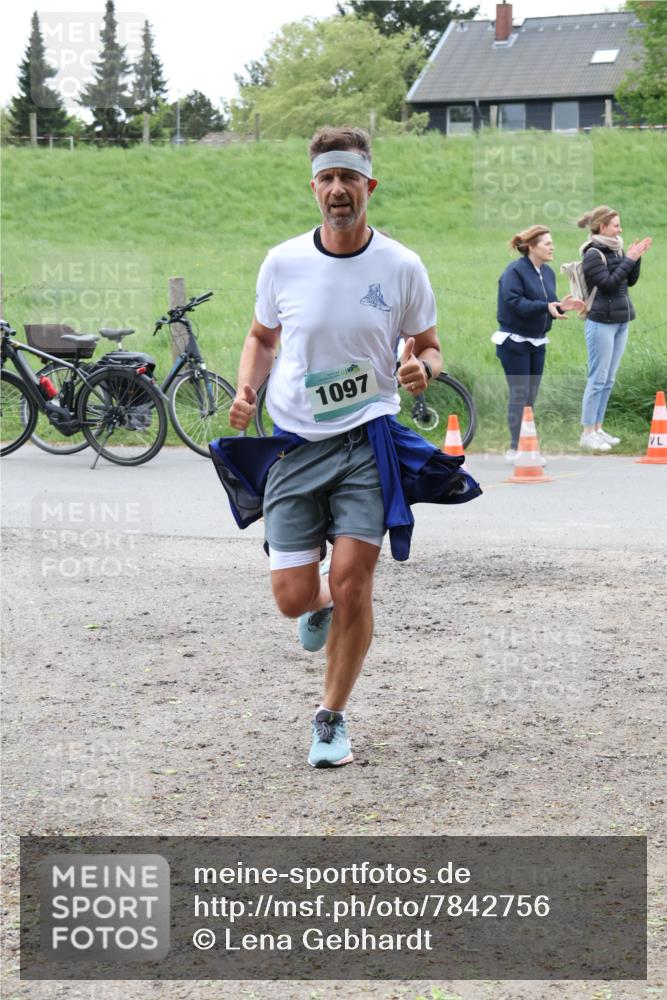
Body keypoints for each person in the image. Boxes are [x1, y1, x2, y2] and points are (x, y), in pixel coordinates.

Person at [211, 125, 480, 769]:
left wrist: (426, 369)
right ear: (313, 188)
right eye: (327, 179)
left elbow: (430, 343)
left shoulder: (401, 265)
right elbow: (261, 336)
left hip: (367, 442)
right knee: (294, 598)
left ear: (369, 186)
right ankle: (319, 603)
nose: (338, 190)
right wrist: (247, 387)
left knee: (357, 583)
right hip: (296, 446)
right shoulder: (283, 262)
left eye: (349, 179)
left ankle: (330, 718)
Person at [493, 225, 583, 462]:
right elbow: (515, 303)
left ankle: (526, 445)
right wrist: (547, 307)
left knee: (530, 396)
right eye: (547, 243)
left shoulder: (548, 272)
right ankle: (516, 448)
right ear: (531, 247)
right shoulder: (515, 271)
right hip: (514, 342)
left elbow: (549, 304)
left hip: (537, 341)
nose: (552, 247)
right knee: (520, 394)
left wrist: (562, 306)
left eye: (552, 243)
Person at [577, 206, 652, 451]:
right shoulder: (592, 254)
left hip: (621, 320)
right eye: (616, 225)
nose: (620, 229)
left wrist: (635, 259)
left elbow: (628, 280)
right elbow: (608, 285)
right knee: (597, 378)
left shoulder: (616, 249)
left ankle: (598, 428)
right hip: (601, 322)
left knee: (609, 379)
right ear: (601, 227)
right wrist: (628, 259)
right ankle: (587, 433)